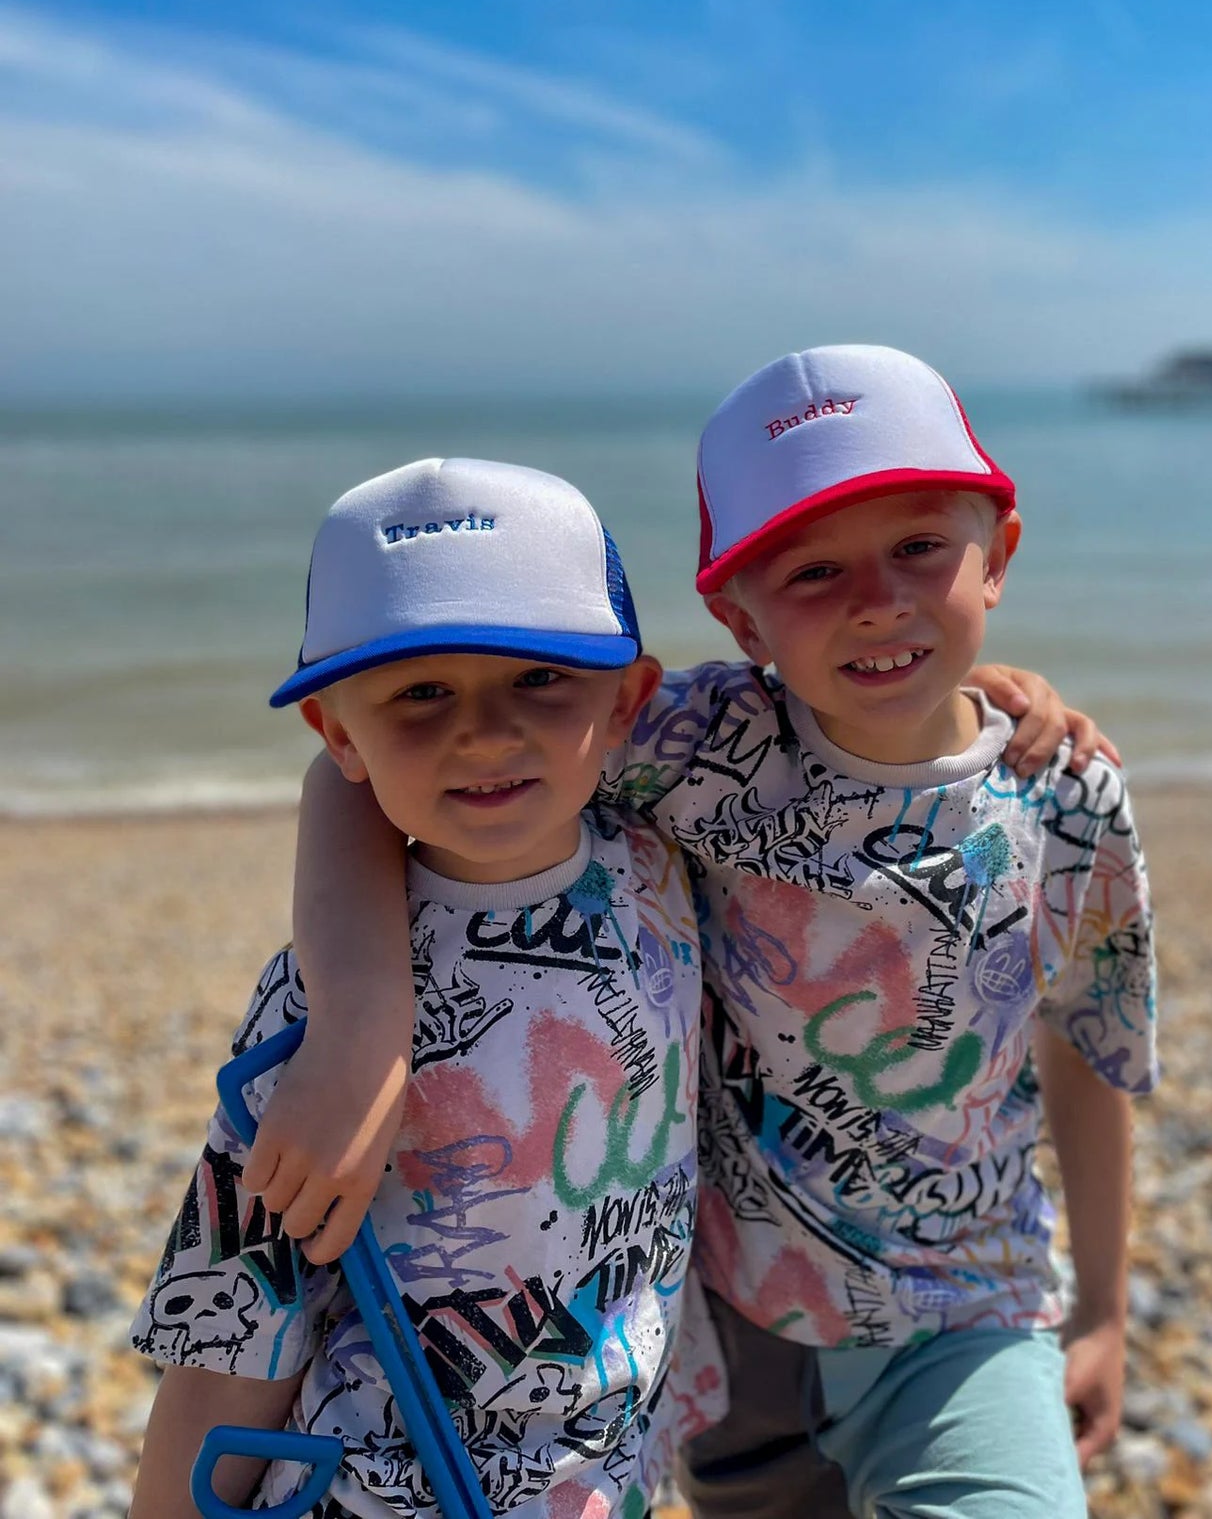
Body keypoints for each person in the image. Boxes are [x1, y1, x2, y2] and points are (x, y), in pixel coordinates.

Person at [258, 345, 1155, 1518]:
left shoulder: (1064, 795)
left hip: (964, 1314)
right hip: (725, 1326)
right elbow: (357, 773)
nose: (877, 599)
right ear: (736, 615)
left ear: (1000, 555)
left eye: (920, 549)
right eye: (814, 571)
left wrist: (1101, 1307)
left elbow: (1088, 1044)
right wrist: (362, 1013)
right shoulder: (691, 747)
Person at [130, 458, 719, 1519]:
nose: (484, 731)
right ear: (337, 731)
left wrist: (1000, 699)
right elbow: (232, 1336)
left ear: (628, 698)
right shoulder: (315, 1013)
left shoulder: (659, 861)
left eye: (538, 678)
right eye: (419, 692)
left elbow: (827, 737)